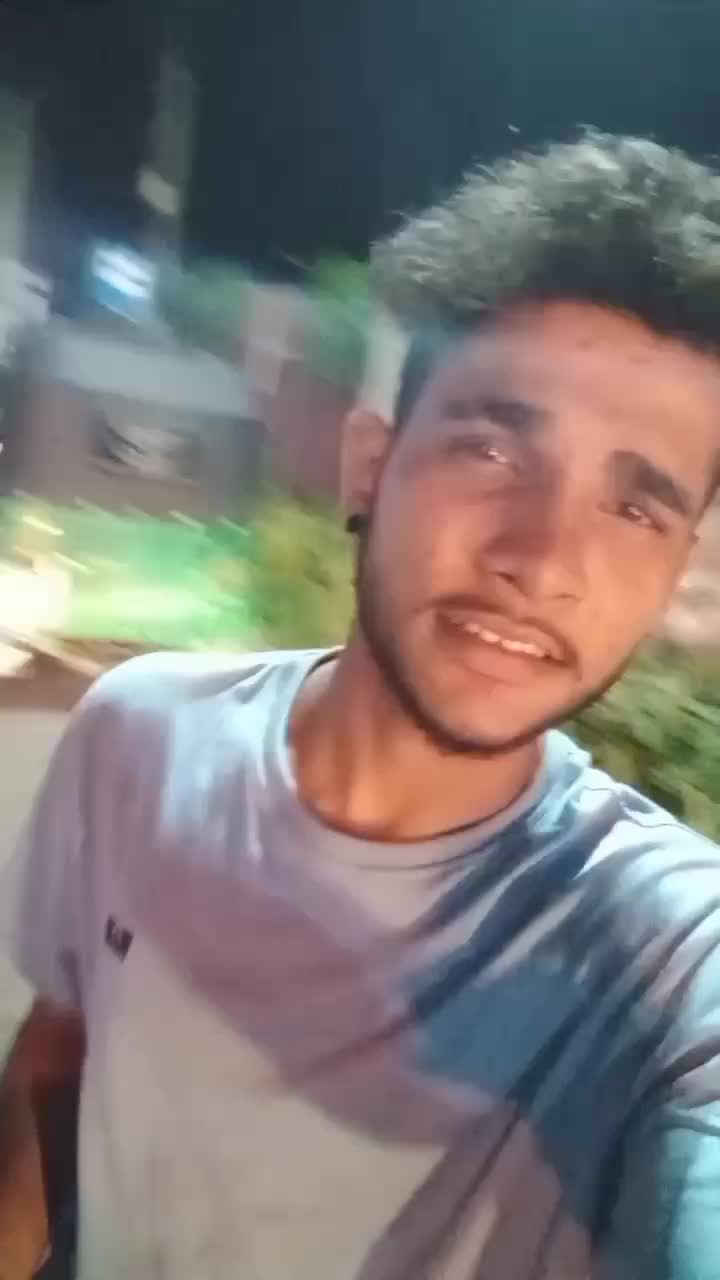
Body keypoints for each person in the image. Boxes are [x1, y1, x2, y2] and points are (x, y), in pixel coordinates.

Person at [3, 131, 720, 1280]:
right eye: (493, 449)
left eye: (636, 509)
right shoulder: (135, 734)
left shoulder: (671, 956)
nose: (543, 559)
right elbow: (56, 1056)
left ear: (678, 560)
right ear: (368, 466)